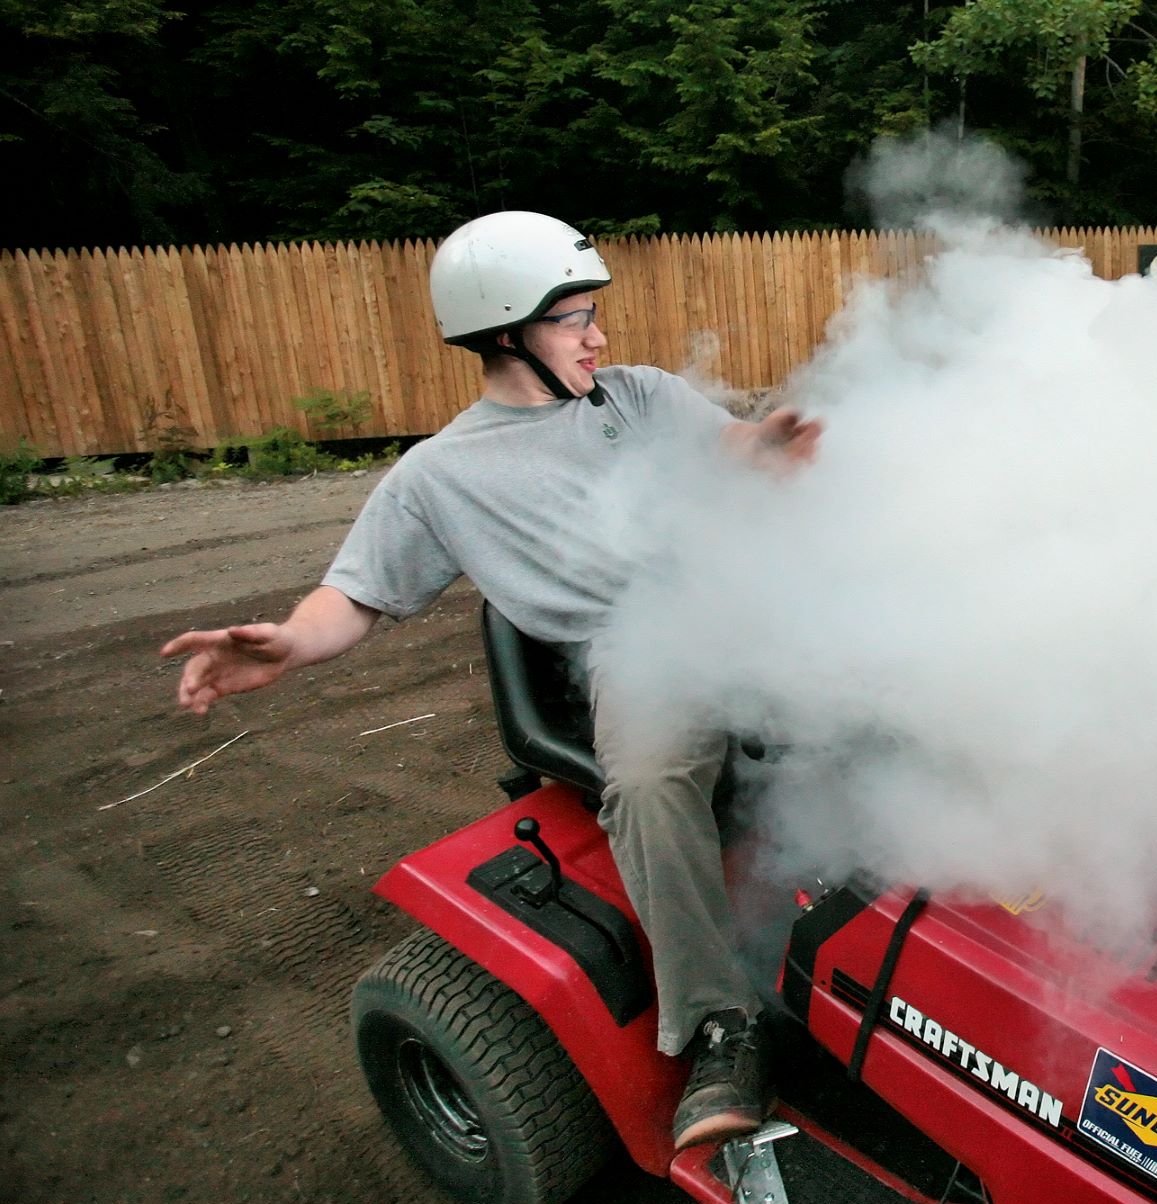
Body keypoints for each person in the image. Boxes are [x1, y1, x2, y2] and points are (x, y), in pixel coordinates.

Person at [160, 210, 821, 1150]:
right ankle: (722, 1023)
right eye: (574, 319)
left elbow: (733, 449)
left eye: (592, 315)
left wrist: (767, 455)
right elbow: (354, 596)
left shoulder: (639, 397)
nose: (599, 335)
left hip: (741, 602)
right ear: (508, 332)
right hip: (637, 649)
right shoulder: (439, 476)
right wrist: (287, 645)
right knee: (647, 785)